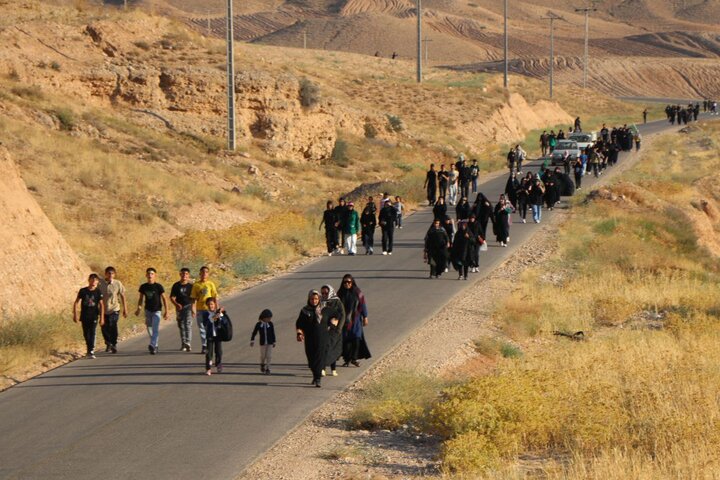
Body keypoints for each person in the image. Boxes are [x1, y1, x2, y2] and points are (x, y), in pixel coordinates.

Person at [296, 290, 335, 387]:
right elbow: (299, 323)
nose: (314, 301)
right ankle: (315, 375)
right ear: (309, 299)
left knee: (319, 357)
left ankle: (318, 379)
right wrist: (299, 333)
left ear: (319, 299)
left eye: (316, 299)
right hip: (310, 338)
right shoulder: (305, 310)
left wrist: (332, 324)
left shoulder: (325, 308)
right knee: (311, 359)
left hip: (323, 338)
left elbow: (336, 316)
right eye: (312, 299)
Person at [337, 274, 370, 367]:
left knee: (356, 338)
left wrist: (365, 316)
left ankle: (354, 359)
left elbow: (363, 304)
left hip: (356, 320)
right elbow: (335, 307)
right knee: (346, 341)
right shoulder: (339, 293)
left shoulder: (358, 292)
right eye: (345, 282)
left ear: (352, 282)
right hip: (344, 321)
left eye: (349, 282)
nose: (347, 284)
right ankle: (347, 359)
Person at [136, 267, 168, 355]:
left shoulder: (158, 286)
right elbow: (141, 298)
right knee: (149, 327)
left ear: (155, 275)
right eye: (149, 273)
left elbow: (164, 299)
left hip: (157, 310)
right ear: (146, 275)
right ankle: (155, 344)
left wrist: (166, 311)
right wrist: (139, 308)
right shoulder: (143, 286)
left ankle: (152, 345)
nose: (150, 275)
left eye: (152, 274)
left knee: (155, 328)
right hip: (148, 310)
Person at [73, 273, 105, 359]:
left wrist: (102, 318)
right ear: (89, 280)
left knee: (92, 332)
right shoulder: (83, 291)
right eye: (92, 279)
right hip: (84, 316)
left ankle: (91, 350)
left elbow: (101, 305)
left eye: (95, 280)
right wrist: (75, 315)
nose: (93, 281)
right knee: (86, 334)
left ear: (98, 282)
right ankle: (89, 349)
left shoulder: (98, 292)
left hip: (94, 315)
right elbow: (76, 302)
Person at [99, 266, 126, 354]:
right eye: (109, 273)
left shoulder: (118, 283)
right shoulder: (100, 284)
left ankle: (114, 344)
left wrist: (125, 308)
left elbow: (122, 295)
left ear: (114, 274)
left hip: (114, 308)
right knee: (104, 327)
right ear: (105, 274)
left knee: (112, 324)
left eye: (112, 273)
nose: (110, 275)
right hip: (103, 310)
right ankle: (108, 343)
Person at [191, 266, 218, 354]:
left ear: (208, 274)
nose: (204, 274)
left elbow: (214, 297)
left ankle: (210, 343)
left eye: (206, 272)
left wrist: (216, 308)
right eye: (202, 272)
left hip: (209, 309)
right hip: (199, 309)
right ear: (200, 273)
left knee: (209, 327)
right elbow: (194, 298)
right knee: (201, 328)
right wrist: (193, 309)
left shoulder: (210, 284)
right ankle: (204, 345)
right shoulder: (196, 285)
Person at [321, 285, 345, 377]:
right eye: (322, 293)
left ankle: (333, 369)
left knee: (333, 349)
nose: (324, 295)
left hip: (335, 330)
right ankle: (322, 368)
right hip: (324, 330)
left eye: (326, 293)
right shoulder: (320, 302)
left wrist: (339, 328)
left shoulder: (337, 302)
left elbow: (342, 315)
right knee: (324, 349)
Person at [170, 267, 194, 352]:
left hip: (188, 307)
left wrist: (193, 309)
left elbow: (194, 298)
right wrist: (176, 304)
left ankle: (188, 343)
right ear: (180, 274)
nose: (184, 275)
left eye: (186, 274)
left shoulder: (191, 286)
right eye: (183, 273)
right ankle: (183, 343)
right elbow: (172, 297)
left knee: (188, 324)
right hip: (179, 308)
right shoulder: (176, 285)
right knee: (181, 326)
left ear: (188, 275)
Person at [203, 297, 229, 375]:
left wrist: (222, 313)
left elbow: (224, 321)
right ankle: (208, 368)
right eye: (208, 304)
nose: (210, 306)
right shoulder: (206, 314)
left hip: (218, 335)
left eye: (212, 304)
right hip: (210, 336)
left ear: (215, 304)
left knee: (218, 351)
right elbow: (209, 321)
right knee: (209, 352)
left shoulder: (219, 312)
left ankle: (218, 364)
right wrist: (216, 315)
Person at [250, 309, 275, 375]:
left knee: (269, 356)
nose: (269, 319)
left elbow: (273, 333)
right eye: (268, 318)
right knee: (263, 356)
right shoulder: (258, 324)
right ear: (264, 318)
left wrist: (274, 341)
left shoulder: (270, 324)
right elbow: (254, 332)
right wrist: (252, 340)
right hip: (263, 343)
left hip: (270, 342)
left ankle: (268, 368)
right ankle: (262, 364)